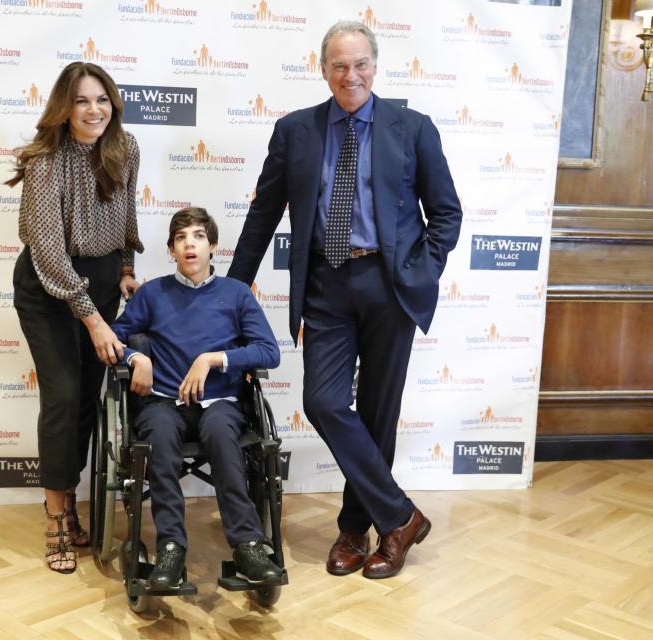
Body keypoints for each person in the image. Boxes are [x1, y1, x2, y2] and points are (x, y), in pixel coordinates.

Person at [227, 21, 462, 579]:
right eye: (338, 65)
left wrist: (418, 270)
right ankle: (401, 517)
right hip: (326, 287)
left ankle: (357, 530)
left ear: (374, 67)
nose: (349, 75)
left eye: (359, 64)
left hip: (389, 285)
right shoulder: (295, 131)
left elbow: (446, 214)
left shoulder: (413, 128)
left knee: (379, 413)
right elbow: (263, 216)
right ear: (323, 68)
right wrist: (231, 293)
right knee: (325, 402)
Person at [6, 62, 143, 574]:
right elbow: (48, 251)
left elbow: (126, 212)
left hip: (103, 280)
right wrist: (92, 319)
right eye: (82, 101)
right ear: (64, 108)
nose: (94, 110)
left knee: (88, 396)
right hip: (49, 287)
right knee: (63, 395)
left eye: (102, 99)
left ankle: (75, 503)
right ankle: (56, 515)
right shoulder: (45, 160)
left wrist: (127, 266)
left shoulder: (124, 148)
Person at [110, 207, 283, 589]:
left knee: (223, 435)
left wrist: (213, 359)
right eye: (181, 237)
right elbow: (113, 338)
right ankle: (171, 547)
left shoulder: (236, 294)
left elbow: (269, 352)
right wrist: (136, 357)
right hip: (163, 404)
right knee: (157, 435)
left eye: (199, 236)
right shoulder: (153, 293)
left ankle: (249, 546)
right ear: (172, 249)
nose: (190, 243)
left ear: (213, 246)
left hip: (220, 404)